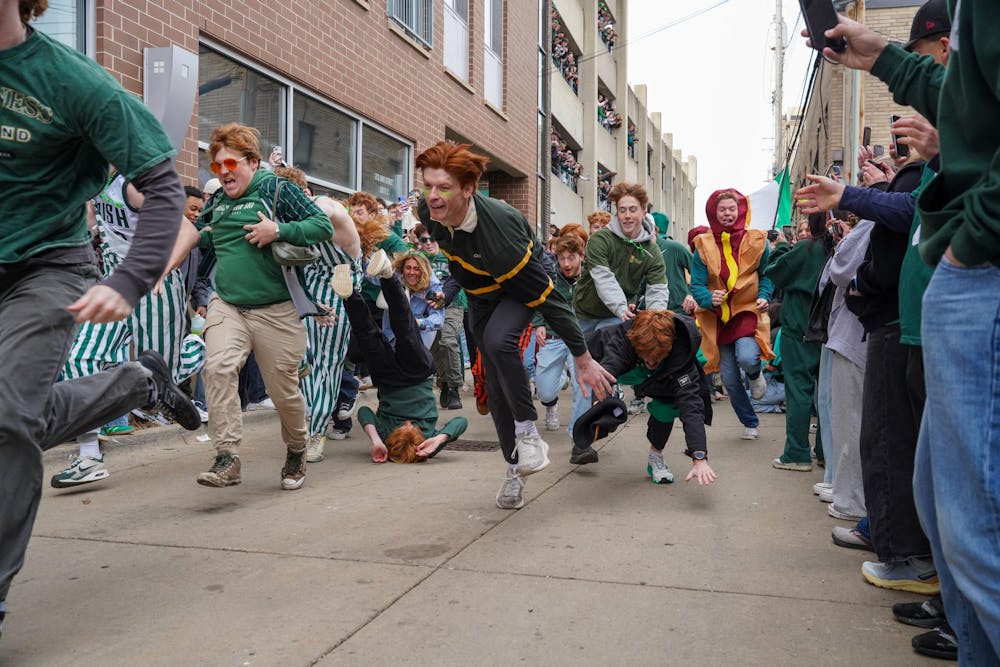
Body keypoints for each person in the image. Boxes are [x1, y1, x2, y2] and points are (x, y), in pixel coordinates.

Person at [0, 0, 201, 639]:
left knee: (6, 416)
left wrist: (132, 278)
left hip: (45, 265)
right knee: (18, 414)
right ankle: (139, 382)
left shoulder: (74, 82)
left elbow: (163, 185)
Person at [816, 5, 1000, 662]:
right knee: (942, 501)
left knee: (976, 527)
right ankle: (957, 619)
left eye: (931, 49)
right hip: (949, 291)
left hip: (974, 277)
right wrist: (881, 58)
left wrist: (971, 237)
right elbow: (973, 103)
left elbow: (915, 201)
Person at [414, 141, 613, 510]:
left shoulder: (500, 231)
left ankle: (530, 432)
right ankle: (513, 468)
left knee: (498, 340)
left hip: (523, 286)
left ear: (468, 189)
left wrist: (582, 356)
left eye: (444, 187)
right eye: (428, 185)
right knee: (494, 384)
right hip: (482, 296)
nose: (433, 196)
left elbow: (550, 299)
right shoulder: (428, 212)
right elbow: (460, 262)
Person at [193, 123, 333, 491]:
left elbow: (322, 226)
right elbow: (201, 237)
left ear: (253, 162)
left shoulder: (277, 189)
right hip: (229, 303)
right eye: (216, 167)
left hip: (277, 309)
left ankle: (297, 448)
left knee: (283, 392)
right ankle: (227, 457)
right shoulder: (218, 201)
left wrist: (279, 231)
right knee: (218, 366)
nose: (223, 172)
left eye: (230, 163)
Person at [52, 170, 208, 487]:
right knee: (81, 358)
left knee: (168, 372)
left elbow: (188, 233)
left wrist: (162, 271)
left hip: (153, 285)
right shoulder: (92, 181)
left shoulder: (134, 187)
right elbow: (89, 222)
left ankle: (200, 343)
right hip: (114, 283)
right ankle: (89, 455)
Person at [334, 251, 468, 463]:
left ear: (392, 438)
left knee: (369, 337)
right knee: (405, 329)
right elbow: (461, 422)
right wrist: (440, 440)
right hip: (418, 373)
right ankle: (388, 275)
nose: (407, 423)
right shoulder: (429, 434)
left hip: (388, 380)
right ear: (421, 440)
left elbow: (365, 413)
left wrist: (376, 440)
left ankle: (349, 295)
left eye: (401, 429)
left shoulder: (386, 433)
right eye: (412, 429)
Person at [584, 310, 717, 485]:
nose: (652, 361)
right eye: (648, 356)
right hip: (630, 368)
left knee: (667, 410)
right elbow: (606, 370)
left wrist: (699, 456)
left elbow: (691, 407)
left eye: (656, 357)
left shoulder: (681, 357)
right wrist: (600, 403)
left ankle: (656, 456)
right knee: (603, 379)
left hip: (664, 376)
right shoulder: (623, 340)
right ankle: (616, 391)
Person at [573, 182, 669, 422]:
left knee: (602, 369)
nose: (627, 215)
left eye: (633, 210)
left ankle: (581, 436)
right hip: (585, 313)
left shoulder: (651, 251)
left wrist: (655, 322)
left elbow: (658, 288)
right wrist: (619, 306)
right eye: (622, 210)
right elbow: (603, 278)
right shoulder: (600, 240)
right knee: (581, 375)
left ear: (643, 212)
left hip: (615, 316)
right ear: (617, 213)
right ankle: (588, 420)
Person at [689, 189, 775, 440]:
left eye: (731, 208)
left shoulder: (758, 240)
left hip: (747, 311)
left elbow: (767, 275)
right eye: (722, 210)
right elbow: (697, 285)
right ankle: (749, 422)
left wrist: (765, 295)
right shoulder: (702, 244)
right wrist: (708, 298)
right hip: (718, 317)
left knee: (748, 357)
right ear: (714, 214)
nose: (727, 214)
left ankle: (755, 373)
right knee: (727, 376)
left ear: (740, 211)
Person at [765, 213, 831, 472]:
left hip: (800, 329)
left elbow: (774, 271)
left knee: (799, 392)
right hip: (828, 330)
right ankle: (825, 452)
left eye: (805, 226)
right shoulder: (836, 246)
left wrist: (781, 245)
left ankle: (796, 453)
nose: (802, 232)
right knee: (824, 396)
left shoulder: (807, 248)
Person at [533, 234, 586, 431]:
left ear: (581, 256)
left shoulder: (589, 275)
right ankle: (551, 404)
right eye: (561, 258)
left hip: (580, 339)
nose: (565, 263)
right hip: (553, 336)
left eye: (571, 258)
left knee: (582, 387)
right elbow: (538, 298)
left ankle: (578, 427)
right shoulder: (550, 275)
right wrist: (538, 324)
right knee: (544, 392)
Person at [415, 223, 467, 409]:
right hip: (430, 308)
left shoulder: (450, 255)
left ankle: (453, 388)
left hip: (453, 304)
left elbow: (459, 278)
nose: (428, 243)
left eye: (432, 239)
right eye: (424, 240)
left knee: (448, 342)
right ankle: (444, 383)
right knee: (436, 349)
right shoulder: (418, 260)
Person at [384, 250, 443, 349]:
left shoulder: (433, 287)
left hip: (418, 341)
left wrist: (417, 323)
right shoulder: (396, 278)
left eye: (417, 269)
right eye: (408, 268)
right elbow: (373, 277)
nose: (412, 272)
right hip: (391, 336)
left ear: (423, 270)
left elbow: (438, 319)